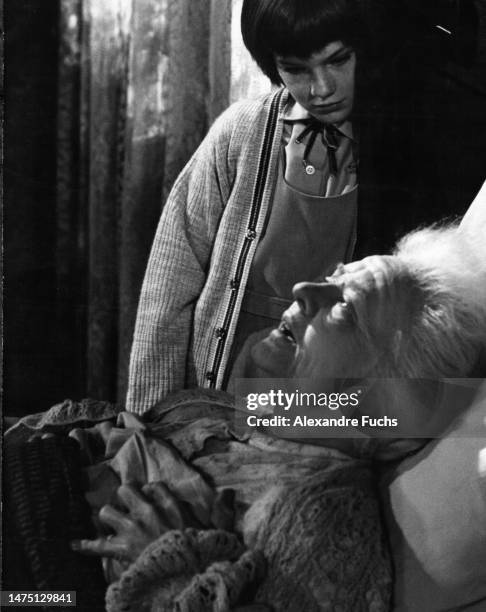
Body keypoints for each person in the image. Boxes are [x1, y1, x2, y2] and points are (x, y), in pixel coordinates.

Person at [6, 212, 486, 610]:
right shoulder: (234, 415)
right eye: (331, 277)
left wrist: (169, 563)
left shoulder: (322, 519)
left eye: (346, 309)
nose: (303, 289)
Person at [126, 0, 398, 414]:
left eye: (338, 60)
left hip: (316, 404)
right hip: (219, 383)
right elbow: (169, 283)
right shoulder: (241, 132)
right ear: (274, 66)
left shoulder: (400, 145)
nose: (321, 88)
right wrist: (154, 421)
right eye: (297, 69)